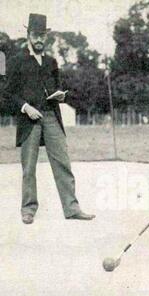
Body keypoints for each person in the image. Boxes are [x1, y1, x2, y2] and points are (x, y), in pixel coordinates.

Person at [4, 13, 95, 224]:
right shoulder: (17, 61)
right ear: (28, 35)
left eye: (43, 36)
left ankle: (72, 208)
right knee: (29, 167)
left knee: (63, 162)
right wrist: (25, 107)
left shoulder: (51, 62)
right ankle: (28, 209)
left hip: (51, 116)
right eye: (36, 35)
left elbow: (56, 86)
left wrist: (60, 95)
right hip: (30, 119)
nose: (39, 40)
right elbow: (7, 93)